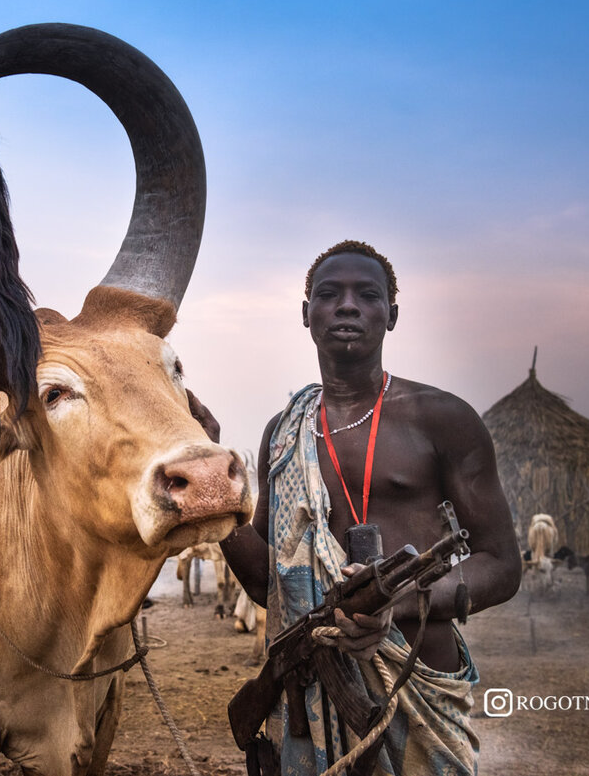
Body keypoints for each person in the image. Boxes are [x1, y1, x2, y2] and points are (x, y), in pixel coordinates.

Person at [219, 240, 521, 776]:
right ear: (306, 314)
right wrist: (217, 505)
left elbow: (501, 563)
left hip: (416, 682)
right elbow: (266, 582)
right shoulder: (284, 433)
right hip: (307, 692)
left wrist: (402, 601)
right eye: (329, 294)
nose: (348, 305)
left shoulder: (444, 419)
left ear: (392, 314)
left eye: (367, 294)